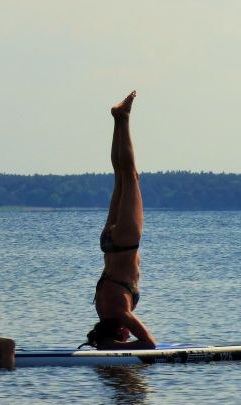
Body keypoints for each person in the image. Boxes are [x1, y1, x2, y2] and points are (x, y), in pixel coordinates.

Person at [83, 91, 158, 350]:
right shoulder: (104, 312)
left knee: (130, 176)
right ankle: (118, 119)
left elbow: (149, 344)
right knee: (120, 175)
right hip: (109, 243)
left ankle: (122, 118)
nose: (129, 335)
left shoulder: (120, 314)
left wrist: (116, 347)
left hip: (125, 242)